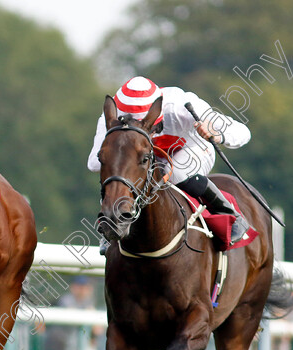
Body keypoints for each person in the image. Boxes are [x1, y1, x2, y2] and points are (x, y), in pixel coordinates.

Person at [88, 76, 252, 245]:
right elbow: (93, 163)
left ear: (156, 113)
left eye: (146, 126)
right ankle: (112, 221)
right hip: (147, 159)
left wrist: (217, 134)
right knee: (120, 169)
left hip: (191, 150)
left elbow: (243, 132)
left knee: (174, 173)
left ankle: (229, 213)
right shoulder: (112, 116)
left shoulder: (181, 105)